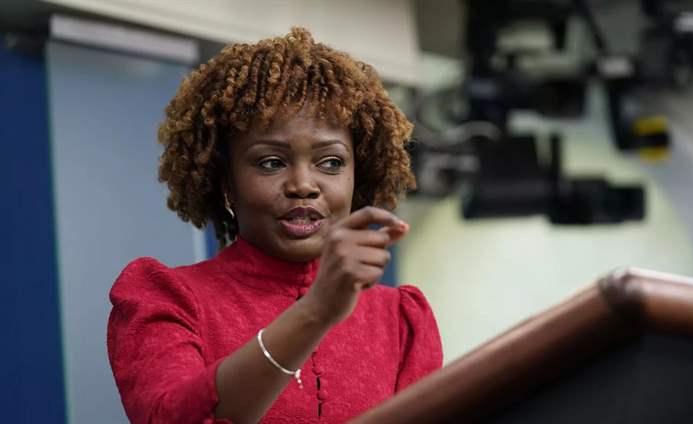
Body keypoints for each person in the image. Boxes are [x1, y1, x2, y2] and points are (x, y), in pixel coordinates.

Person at [107, 27, 443, 424]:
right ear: (226, 183)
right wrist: (316, 312)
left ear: (359, 174)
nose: (303, 184)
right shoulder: (167, 299)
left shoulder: (401, 320)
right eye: (271, 162)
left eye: (331, 162)